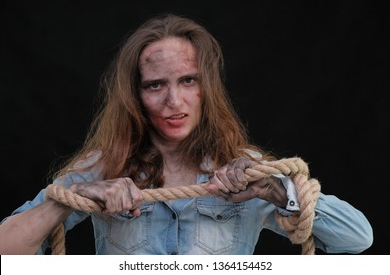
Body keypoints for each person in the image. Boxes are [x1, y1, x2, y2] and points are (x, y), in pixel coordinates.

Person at [0, 13, 373, 255]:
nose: (173, 100)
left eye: (188, 80)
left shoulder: (248, 171)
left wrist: (276, 191)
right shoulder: (104, 166)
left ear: (206, 87)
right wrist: (72, 197)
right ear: (136, 96)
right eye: (155, 85)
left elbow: (358, 239)